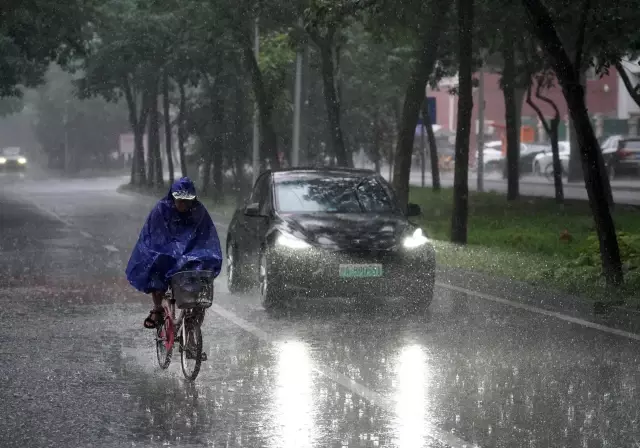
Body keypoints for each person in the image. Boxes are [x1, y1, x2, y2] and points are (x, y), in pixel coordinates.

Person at [126, 177, 223, 329]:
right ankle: (158, 308)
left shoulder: (199, 212)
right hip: (167, 253)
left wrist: (196, 256)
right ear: (173, 197)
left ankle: (195, 316)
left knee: (201, 273)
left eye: (187, 201)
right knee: (155, 266)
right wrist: (170, 252)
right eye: (179, 200)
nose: (183, 204)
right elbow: (154, 237)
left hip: (190, 256)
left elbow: (206, 238)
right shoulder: (161, 210)